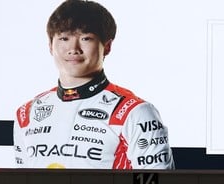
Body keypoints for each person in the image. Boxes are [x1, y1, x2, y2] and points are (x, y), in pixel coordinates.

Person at [13, 0, 173, 169]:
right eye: (64, 38)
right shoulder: (26, 114)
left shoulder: (135, 112)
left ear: (107, 46)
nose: (73, 49)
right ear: (50, 46)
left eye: (85, 38)